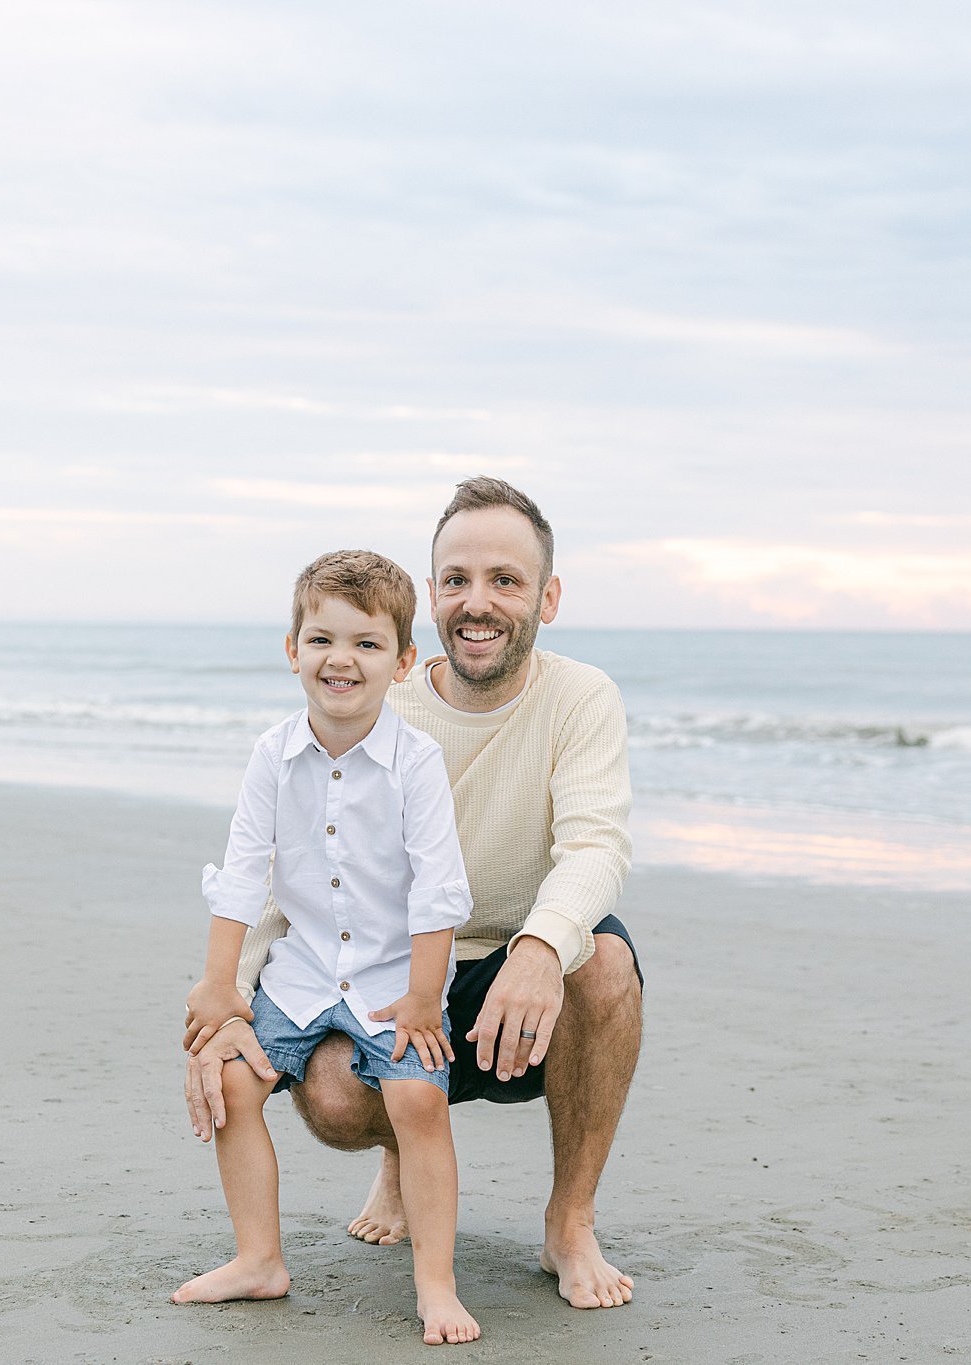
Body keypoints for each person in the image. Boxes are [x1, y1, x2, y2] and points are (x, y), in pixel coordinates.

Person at [185, 477, 642, 1311]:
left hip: (511, 969)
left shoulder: (581, 697)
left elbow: (596, 845)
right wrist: (231, 1004)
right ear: (431, 597)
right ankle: (398, 1160)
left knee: (604, 961)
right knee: (324, 1088)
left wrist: (541, 948)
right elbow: (284, 869)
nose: (479, 601)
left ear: (548, 595)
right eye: (458, 579)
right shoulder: (368, 698)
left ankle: (569, 1223)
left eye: (506, 579)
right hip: (384, 970)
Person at [173, 549, 483, 1346]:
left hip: (394, 975)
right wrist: (218, 985)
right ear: (293, 649)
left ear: (404, 661)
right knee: (234, 1083)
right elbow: (242, 873)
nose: (341, 658)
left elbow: (438, 891)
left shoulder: (417, 764)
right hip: (303, 971)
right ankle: (258, 1259)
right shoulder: (271, 757)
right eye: (321, 639)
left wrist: (423, 996)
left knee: (417, 1098)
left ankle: (437, 1285)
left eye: (367, 643)